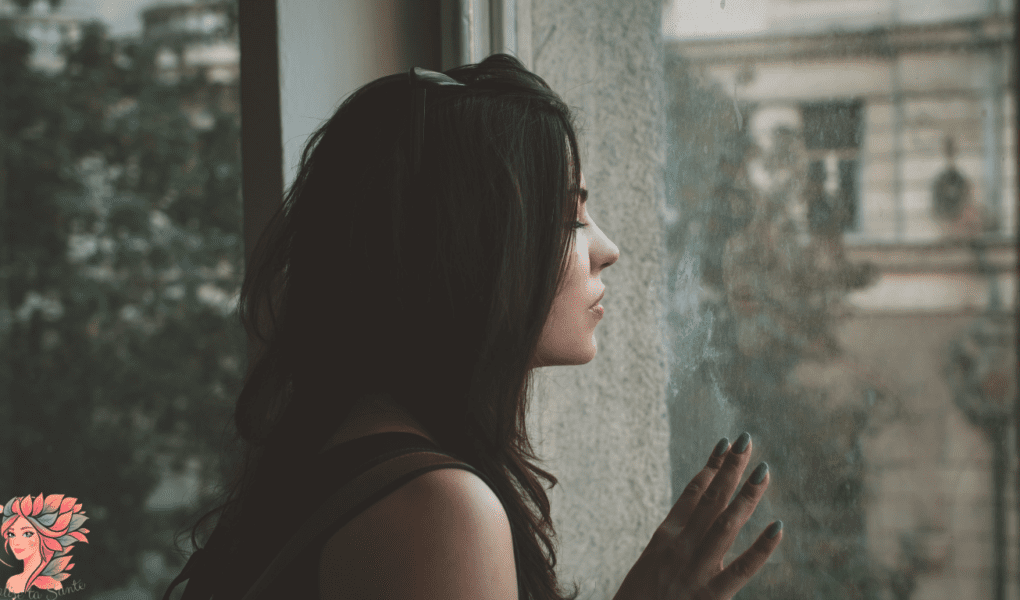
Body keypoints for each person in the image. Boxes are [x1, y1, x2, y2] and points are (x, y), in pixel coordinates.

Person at [171, 53, 781, 600]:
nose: (608, 248)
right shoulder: (436, 509)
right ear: (473, 248)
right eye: (571, 217)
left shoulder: (336, 446)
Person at [1, 494, 88, 594]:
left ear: (44, 535)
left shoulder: (52, 583)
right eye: (11, 534)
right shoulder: (13, 581)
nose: (16, 542)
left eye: (27, 534)